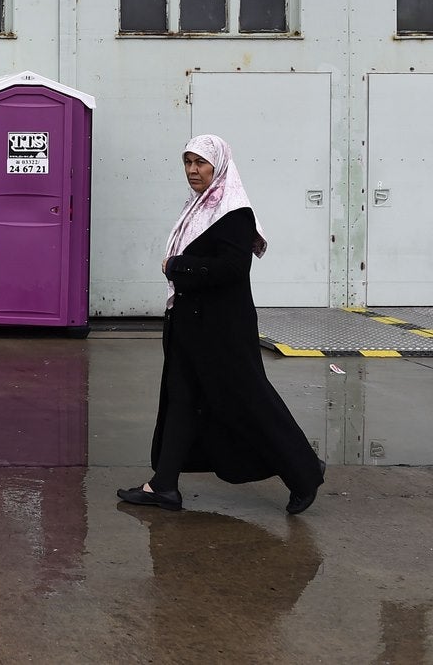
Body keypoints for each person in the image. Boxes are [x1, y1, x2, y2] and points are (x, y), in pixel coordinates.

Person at [117, 134, 326, 515]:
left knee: (250, 400)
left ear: (220, 165)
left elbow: (233, 268)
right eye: (188, 162)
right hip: (188, 323)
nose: (194, 170)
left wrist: (176, 266)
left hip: (222, 329)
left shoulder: (234, 212)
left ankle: (305, 471)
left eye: (201, 163)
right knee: (181, 400)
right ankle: (163, 485)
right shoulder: (199, 206)